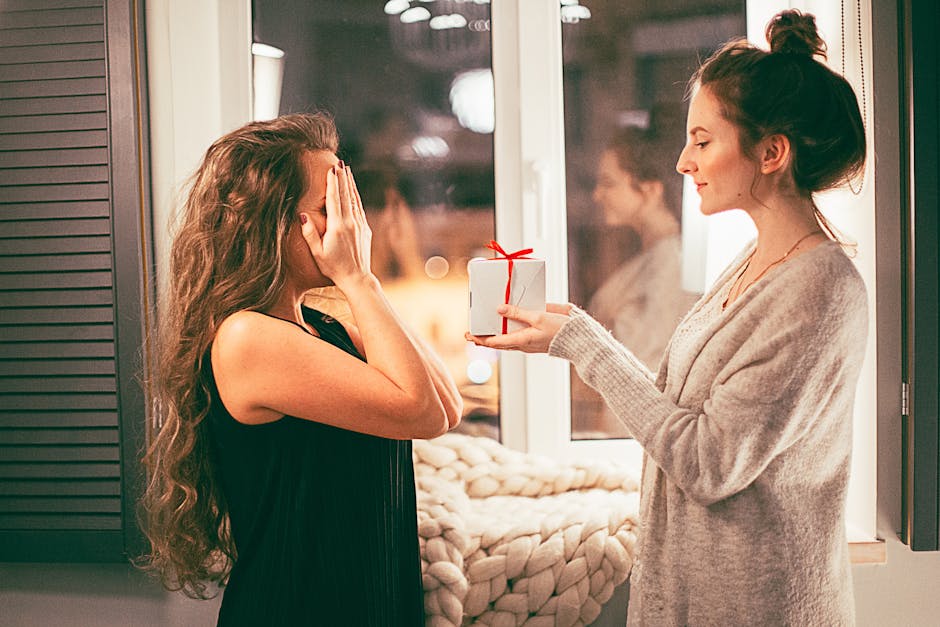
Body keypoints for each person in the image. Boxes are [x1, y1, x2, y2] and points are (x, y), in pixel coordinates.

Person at [468, 9, 866, 626]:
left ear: (772, 152)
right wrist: (567, 331)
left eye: (702, 141)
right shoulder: (753, 262)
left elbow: (707, 462)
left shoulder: (821, 291)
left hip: (758, 609)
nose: (682, 161)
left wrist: (584, 342)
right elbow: (677, 409)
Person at [140, 112, 462, 626]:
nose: (351, 226)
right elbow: (419, 411)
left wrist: (365, 283)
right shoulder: (247, 338)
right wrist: (357, 278)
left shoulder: (322, 324)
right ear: (274, 220)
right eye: (330, 207)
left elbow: (445, 406)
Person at [588, 110, 699, 372]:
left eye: (608, 183)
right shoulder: (652, 259)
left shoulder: (672, 263)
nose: (597, 195)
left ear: (650, 189)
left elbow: (648, 362)